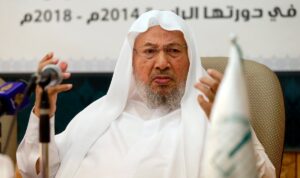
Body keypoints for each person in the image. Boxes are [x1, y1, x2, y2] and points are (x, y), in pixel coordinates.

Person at [17, 10, 275, 178]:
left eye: (173, 51)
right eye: (149, 51)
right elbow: (36, 169)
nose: (161, 62)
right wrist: (42, 114)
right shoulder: (98, 117)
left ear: (189, 60)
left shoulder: (211, 120)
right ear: (131, 61)